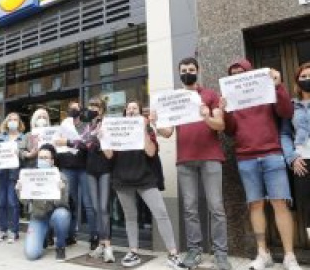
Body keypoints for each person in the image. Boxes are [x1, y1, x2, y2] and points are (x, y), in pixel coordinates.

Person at [150, 57, 231, 270]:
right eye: (184, 70)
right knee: (190, 209)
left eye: (191, 69)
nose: (188, 72)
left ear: (198, 70)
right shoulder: (174, 99)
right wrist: (156, 123)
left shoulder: (210, 95)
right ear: (179, 74)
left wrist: (206, 117)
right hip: (185, 160)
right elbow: (167, 133)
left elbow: (220, 124)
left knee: (216, 207)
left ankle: (220, 253)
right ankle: (194, 251)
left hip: (211, 157)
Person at [223, 59, 302, 270]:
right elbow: (230, 130)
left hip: (272, 154)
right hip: (246, 157)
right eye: (234, 74)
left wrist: (278, 85)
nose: (238, 75)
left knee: (280, 203)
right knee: (255, 204)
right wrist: (225, 111)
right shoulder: (231, 98)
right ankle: (262, 253)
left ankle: (289, 256)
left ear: (250, 72)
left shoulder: (267, 89)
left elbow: (286, 112)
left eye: (241, 71)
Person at [103, 101, 182, 269]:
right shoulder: (117, 130)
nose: (131, 111)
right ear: (125, 113)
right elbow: (109, 155)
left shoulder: (147, 129)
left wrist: (143, 129)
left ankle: (173, 253)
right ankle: (133, 251)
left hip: (145, 177)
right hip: (122, 178)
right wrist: (103, 138)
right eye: (129, 109)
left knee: (161, 213)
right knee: (130, 216)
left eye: (135, 109)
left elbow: (151, 152)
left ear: (140, 113)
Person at [55, 101, 98, 250]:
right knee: (70, 203)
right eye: (70, 107)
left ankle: (94, 236)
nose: (73, 109)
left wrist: (66, 142)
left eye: (76, 107)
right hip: (68, 168)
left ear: (81, 110)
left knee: (88, 203)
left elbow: (86, 144)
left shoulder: (86, 125)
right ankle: (70, 235)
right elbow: (56, 143)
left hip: (84, 168)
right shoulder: (64, 124)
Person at [17, 144, 71, 262]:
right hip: (38, 216)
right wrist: (20, 190)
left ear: (52, 161)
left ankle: (60, 246)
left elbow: (63, 204)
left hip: (55, 215)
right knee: (31, 254)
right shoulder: (30, 176)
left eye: (46, 158)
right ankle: (44, 236)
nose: (42, 160)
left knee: (62, 215)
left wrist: (60, 190)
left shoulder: (61, 177)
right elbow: (24, 202)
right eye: (40, 158)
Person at [280, 62, 310, 243]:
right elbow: (284, 134)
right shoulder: (291, 106)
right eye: (303, 77)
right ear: (297, 81)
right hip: (302, 163)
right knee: (307, 210)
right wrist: (292, 157)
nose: (307, 79)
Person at [85, 96, 115, 263]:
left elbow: (111, 154)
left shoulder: (107, 124)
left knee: (103, 207)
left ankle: (108, 246)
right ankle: (101, 244)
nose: (93, 109)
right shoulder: (86, 126)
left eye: (96, 106)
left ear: (102, 109)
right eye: (91, 106)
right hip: (90, 170)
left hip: (104, 169)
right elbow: (79, 144)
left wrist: (102, 136)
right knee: (96, 208)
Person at [0, 112, 27, 243]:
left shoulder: (23, 138)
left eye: (15, 120)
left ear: (19, 123)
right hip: (1, 173)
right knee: (2, 202)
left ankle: (14, 231)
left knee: (12, 203)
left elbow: (27, 155)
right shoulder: (1, 137)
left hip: (15, 174)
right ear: (6, 122)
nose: (13, 121)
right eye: (10, 119)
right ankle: (3, 231)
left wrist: (20, 153)